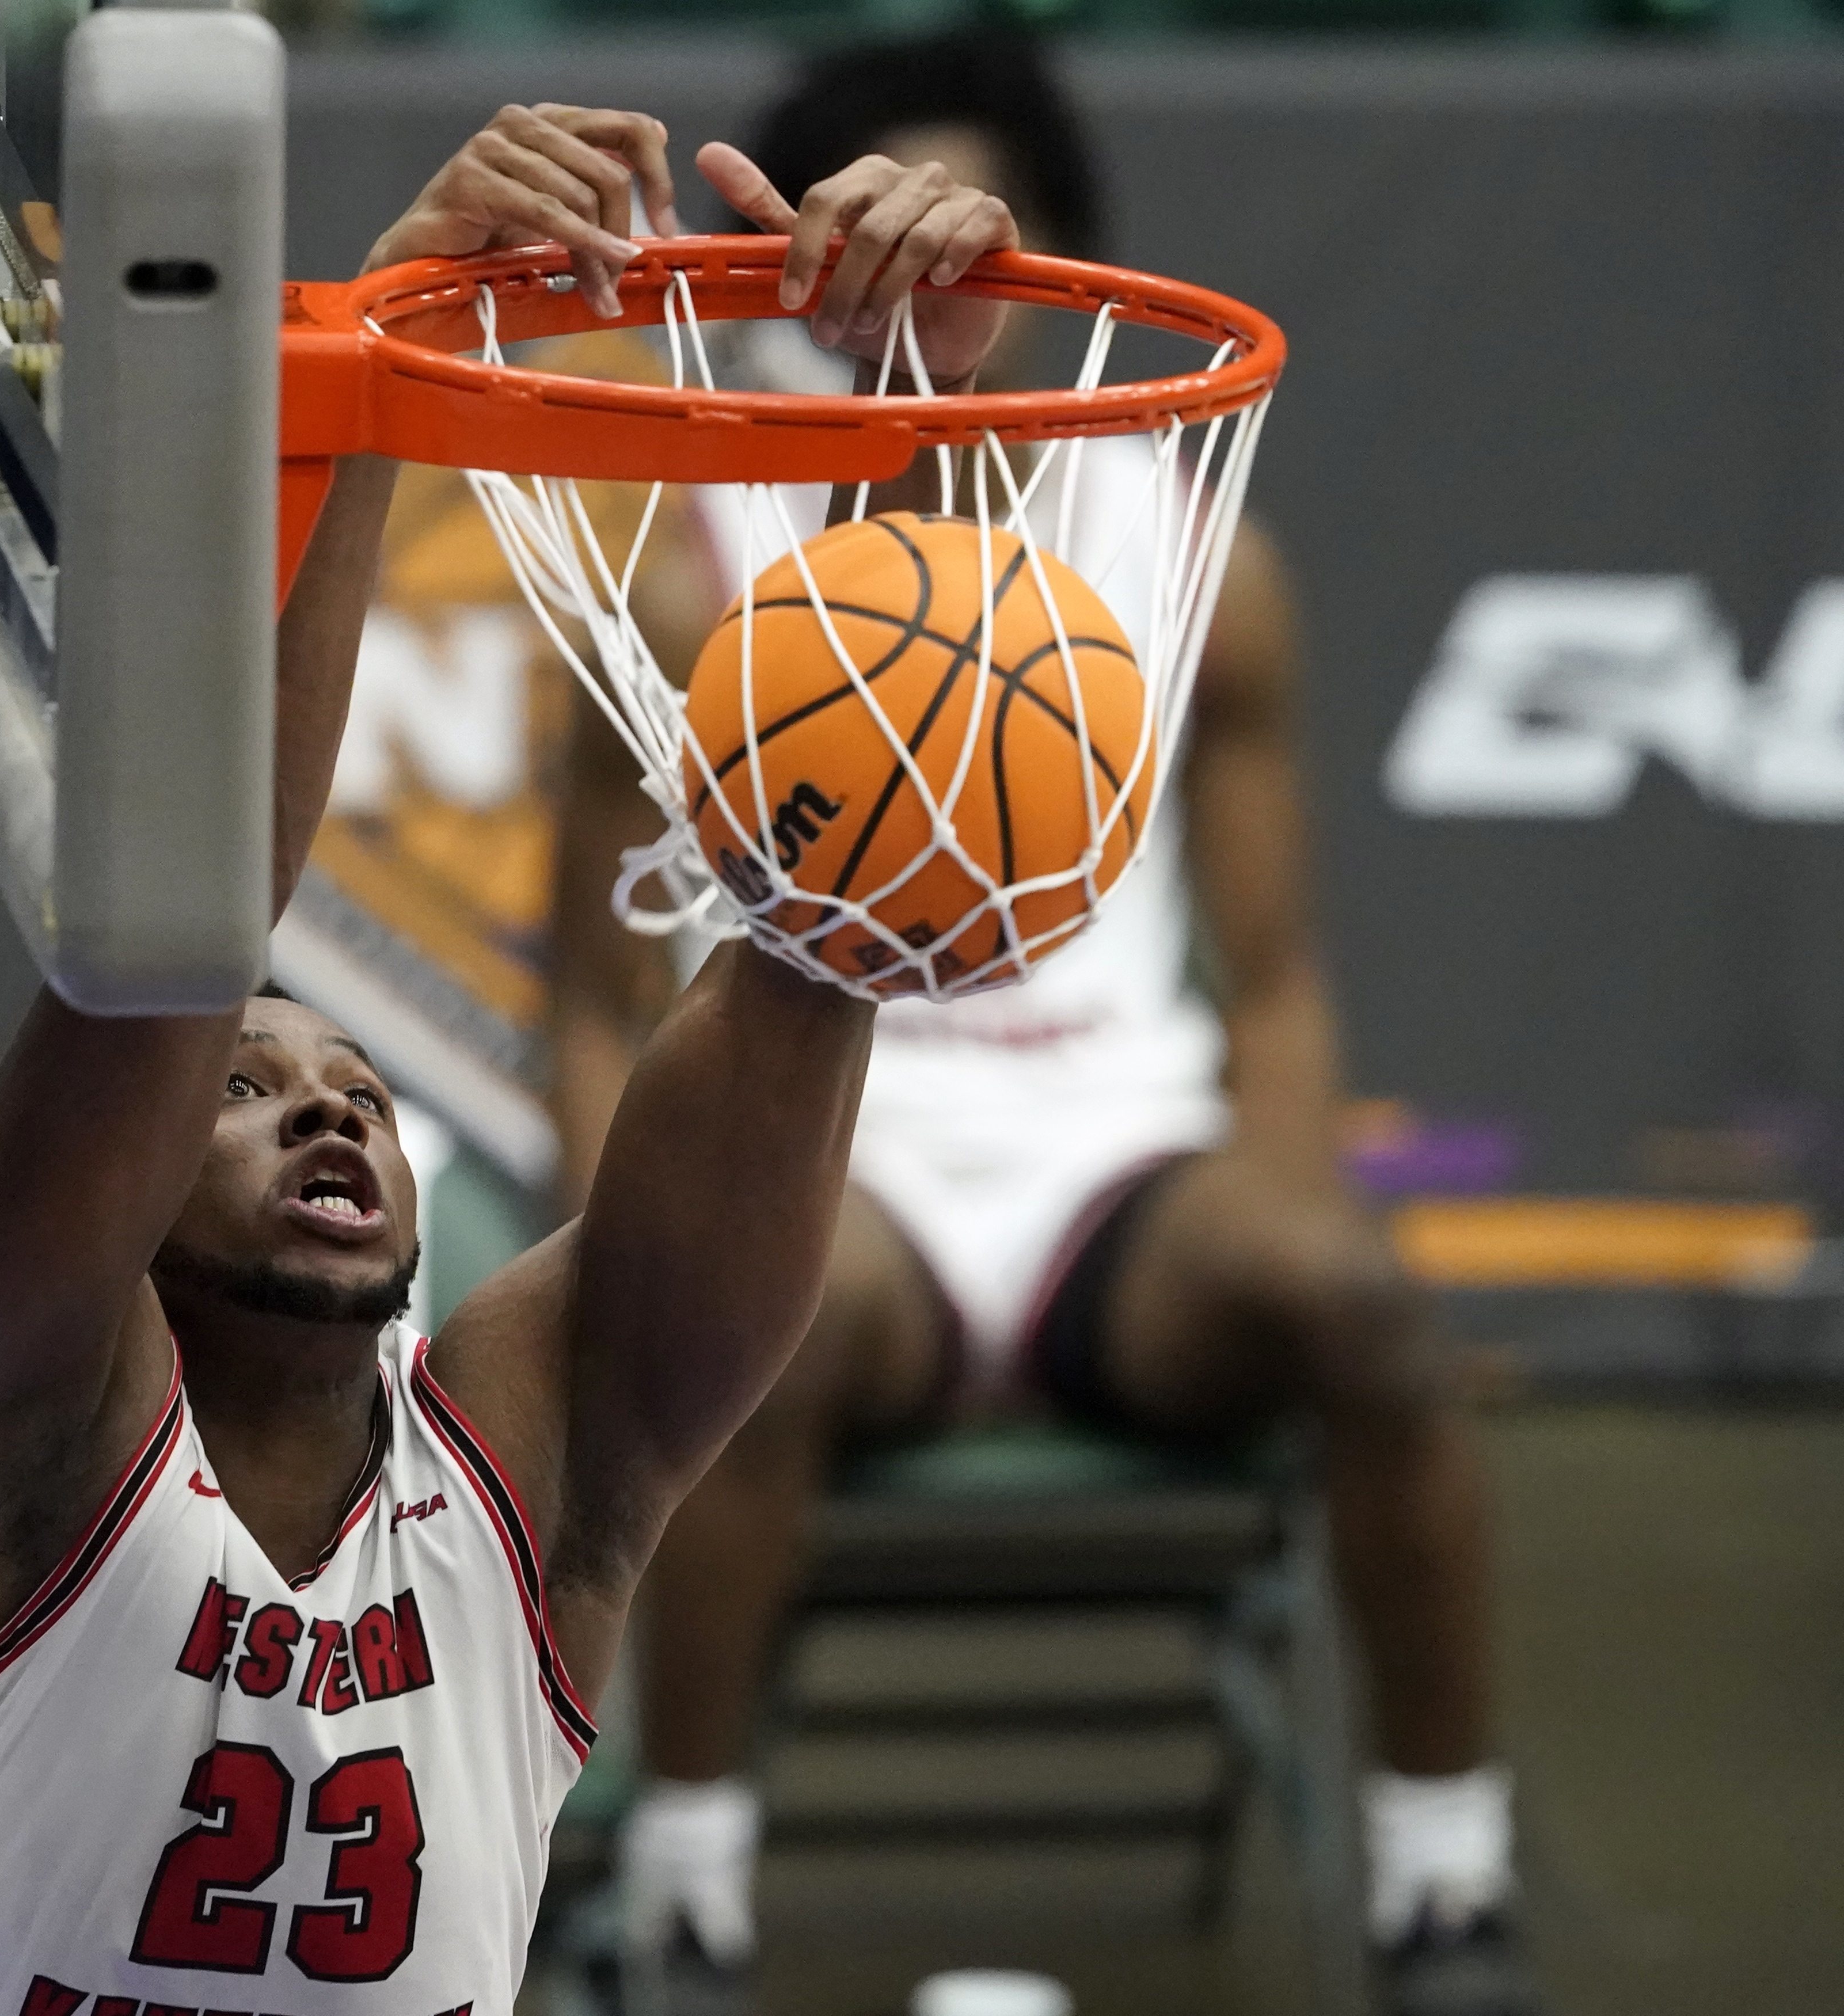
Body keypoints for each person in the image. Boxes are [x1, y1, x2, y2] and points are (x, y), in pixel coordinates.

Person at [0, 104, 1021, 2013]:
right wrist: (374, 361)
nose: (326, 1104)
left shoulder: (528, 1483)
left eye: (358, 1085)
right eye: (247, 1084)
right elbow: (177, 940)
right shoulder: (4, 1426)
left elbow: (821, 929)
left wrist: (897, 423)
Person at [595, 32, 1544, 2016]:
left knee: (1359, 1306)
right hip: (843, 1177)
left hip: (1119, 1167)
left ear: (1056, 270)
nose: (928, 301)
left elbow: (1271, 987)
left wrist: (1276, 1231)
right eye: (881, 257)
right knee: (745, 1354)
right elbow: (595, 1013)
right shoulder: (698, 572)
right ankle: (677, 1897)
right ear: (800, 283)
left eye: (968, 254)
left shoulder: (1198, 553)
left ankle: (1444, 1893)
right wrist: (637, 1269)